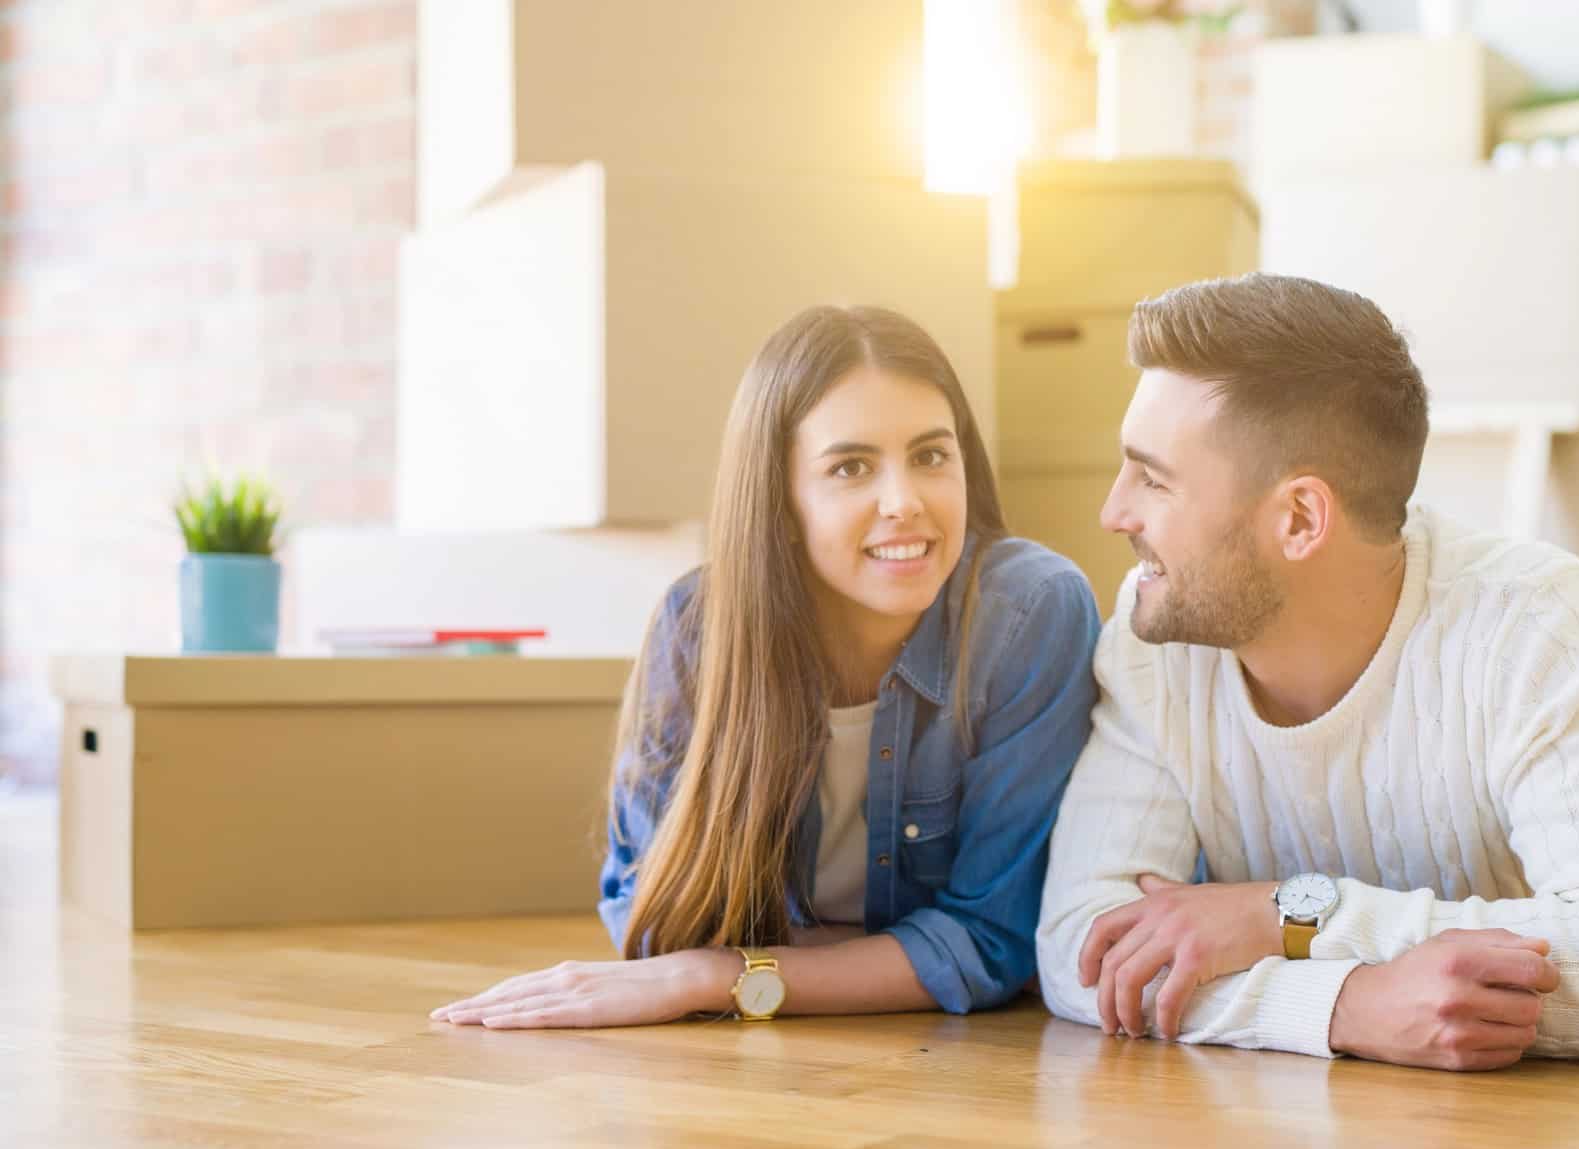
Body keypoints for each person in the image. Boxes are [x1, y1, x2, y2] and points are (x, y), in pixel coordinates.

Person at [1036, 273, 1579, 1071]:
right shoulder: (1158, 636)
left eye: (1152, 479)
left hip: (1559, 870)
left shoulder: (1534, 621)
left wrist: (1283, 916)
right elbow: (1080, 945)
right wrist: (1350, 1005)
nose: (1113, 512)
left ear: (1299, 519)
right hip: (1503, 892)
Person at [433, 306, 1100, 1030]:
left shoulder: (1032, 614)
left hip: (976, 1066)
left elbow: (989, 942)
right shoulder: (698, 626)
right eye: (851, 467)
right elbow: (651, 917)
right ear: (779, 497)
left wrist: (721, 973)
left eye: (932, 456)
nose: (905, 502)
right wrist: (872, 959)